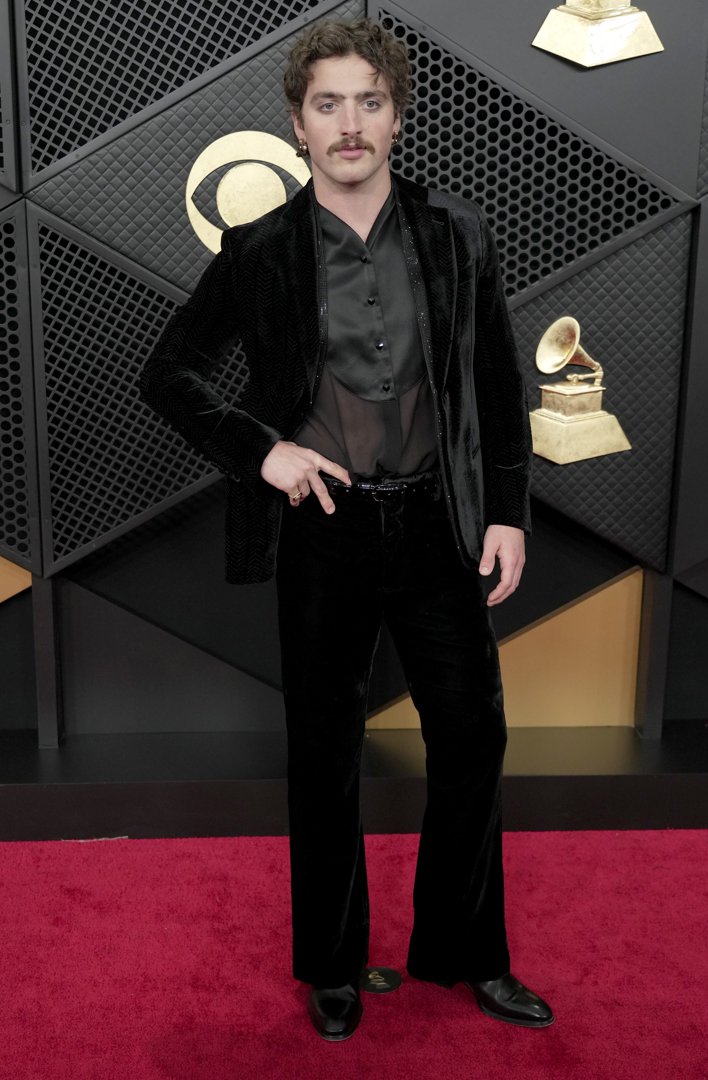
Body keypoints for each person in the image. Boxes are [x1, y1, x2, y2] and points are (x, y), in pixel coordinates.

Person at [140, 17, 553, 1041]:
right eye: (328, 103)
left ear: (398, 115)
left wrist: (507, 513)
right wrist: (262, 450)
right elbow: (170, 374)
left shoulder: (458, 231)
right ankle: (330, 962)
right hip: (322, 527)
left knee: (473, 737)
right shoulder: (260, 250)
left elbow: (499, 385)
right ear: (297, 122)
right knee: (324, 751)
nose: (350, 122)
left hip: (438, 525)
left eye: (369, 99)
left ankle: (465, 953)